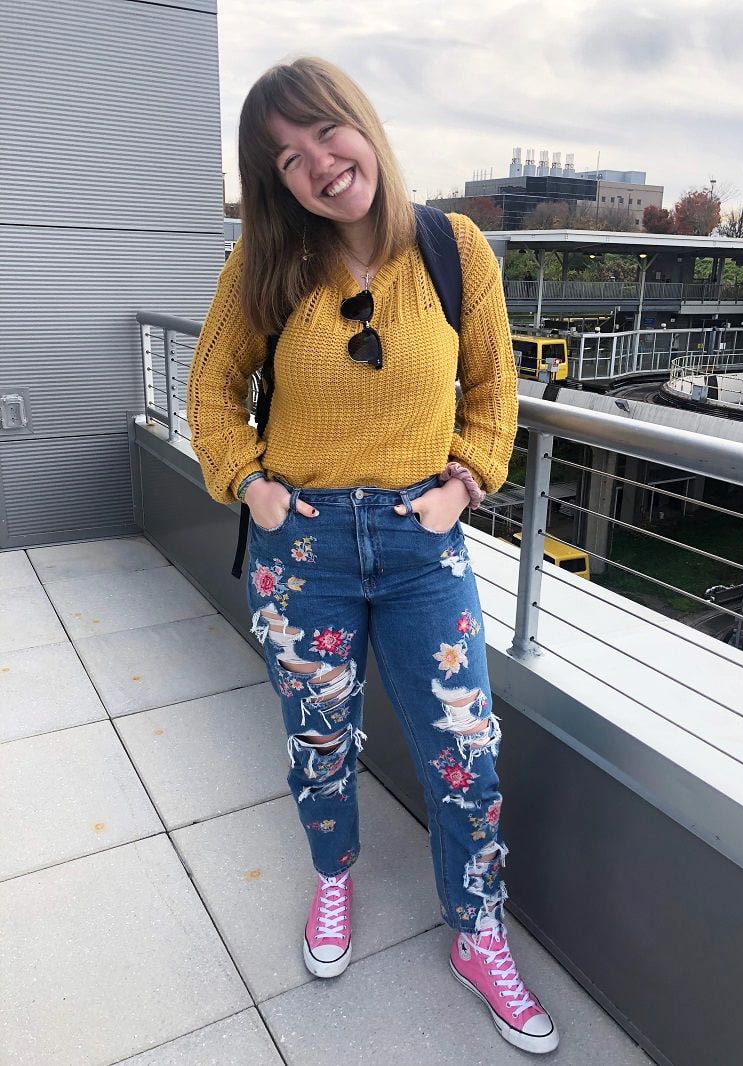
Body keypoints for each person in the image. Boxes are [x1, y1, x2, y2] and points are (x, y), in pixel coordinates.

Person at [187, 55, 559, 1055]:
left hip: (419, 546)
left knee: (465, 754)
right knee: (318, 746)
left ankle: (476, 930)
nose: (316, 163)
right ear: (276, 183)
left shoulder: (454, 249)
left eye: (324, 132)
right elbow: (213, 388)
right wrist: (250, 485)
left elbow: (493, 391)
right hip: (299, 549)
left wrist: (461, 487)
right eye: (286, 158)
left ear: (362, 124)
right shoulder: (266, 265)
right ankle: (333, 882)